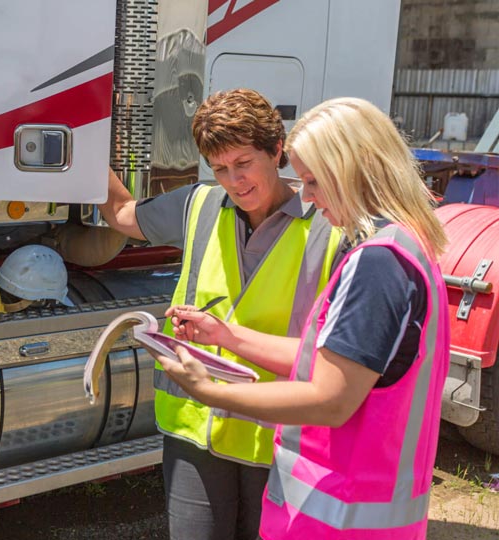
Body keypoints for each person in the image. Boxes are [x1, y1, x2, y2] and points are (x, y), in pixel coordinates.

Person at [163, 97, 449, 539]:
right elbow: (327, 361)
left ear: (354, 170)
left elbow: (330, 399)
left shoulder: (376, 265)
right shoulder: (407, 248)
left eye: (314, 181)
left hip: (337, 514)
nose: (308, 197)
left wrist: (206, 389)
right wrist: (227, 336)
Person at [99, 88, 343, 540]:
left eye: (244, 163)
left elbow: (331, 357)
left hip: (280, 440)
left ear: (277, 151)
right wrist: (86, 161)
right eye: (221, 169)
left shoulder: (328, 225)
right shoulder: (199, 204)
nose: (234, 181)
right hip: (196, 432)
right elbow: (122, 213)